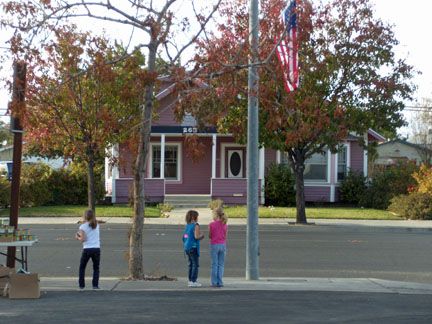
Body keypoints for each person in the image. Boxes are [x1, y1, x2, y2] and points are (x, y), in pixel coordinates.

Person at [75, 209, 100, 290]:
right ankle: (95, 285)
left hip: (87, 249)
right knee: (96, 268)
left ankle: (81, 285)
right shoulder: (96, 225)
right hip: (96, 248)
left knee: (82, 267)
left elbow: (83, 239)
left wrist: (77, 237)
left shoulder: (82, 226)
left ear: (85, 216)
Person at [182, 210, 204, 287]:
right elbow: (196, 237)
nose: (198, 218)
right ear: (194, 217)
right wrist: (202, 236)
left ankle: (190, 280)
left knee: (190, 264)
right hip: (193, 247)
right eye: (197, 216)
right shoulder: (196, 225)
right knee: (195, 264)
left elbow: (184, 236)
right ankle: (193, 281)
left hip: (187, 247)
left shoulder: (187, 226)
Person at [208, 207, 228, 287]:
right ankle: (220, 282)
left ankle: (214, 282)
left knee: (214, 264)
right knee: (221, 264)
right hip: (223, 245)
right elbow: (225, 236)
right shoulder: (225, 224)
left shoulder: (211, 224)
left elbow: (210, 236)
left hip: (214, 245)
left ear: (215, 215)